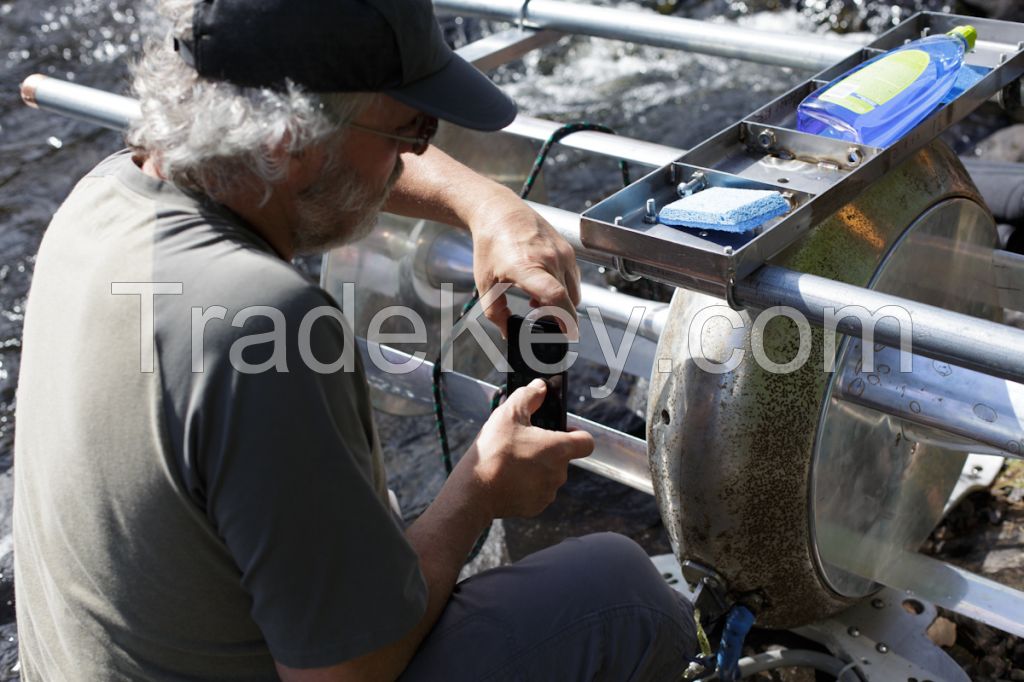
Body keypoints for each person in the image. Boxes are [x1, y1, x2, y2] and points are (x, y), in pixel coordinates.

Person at [13, 0, 696, 679]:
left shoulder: (103, 198)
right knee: (620, 596)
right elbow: (346, 675)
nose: (419, 155)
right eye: (410, 129)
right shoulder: (263, 322)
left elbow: (343, 154)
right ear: (288, 139)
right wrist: (480, 489)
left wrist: (484, 203)